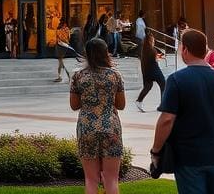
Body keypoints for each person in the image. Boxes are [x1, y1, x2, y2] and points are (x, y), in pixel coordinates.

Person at [150, 29, 214, 194]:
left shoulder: (176, 80)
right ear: (205, 51)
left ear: (185, 50)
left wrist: (156, 151)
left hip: (190, 160)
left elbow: (167, 119)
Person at [69, 37, 126, 194]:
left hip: (87, 127)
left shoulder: (78, 76)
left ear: (86, 54)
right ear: (105, 52)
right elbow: (121, 105)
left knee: (90, 179)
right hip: (111, 127)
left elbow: (74, 105)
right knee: (111, 179)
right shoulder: (114, 75)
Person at [135, 32, 165, 112]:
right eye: (153, 39)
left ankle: (139, 101)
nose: (154, 41)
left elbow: (151, 58)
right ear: (151, 40)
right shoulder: (152, 50)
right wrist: (159, 57)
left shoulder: (144, 50)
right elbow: (155, 59)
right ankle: (163, 105)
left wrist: (157, 56)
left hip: (146, 71)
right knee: (163, 84)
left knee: (148, 86)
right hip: (155, 70)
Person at [54, 17, 78, 82]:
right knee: (61, 61)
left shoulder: (59, 29)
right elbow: (68, 37)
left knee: (60, 61)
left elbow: (58, 37)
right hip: (64, 45)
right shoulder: (67, 29)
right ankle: (62, 76)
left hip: (60, 45)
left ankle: (62, 76)